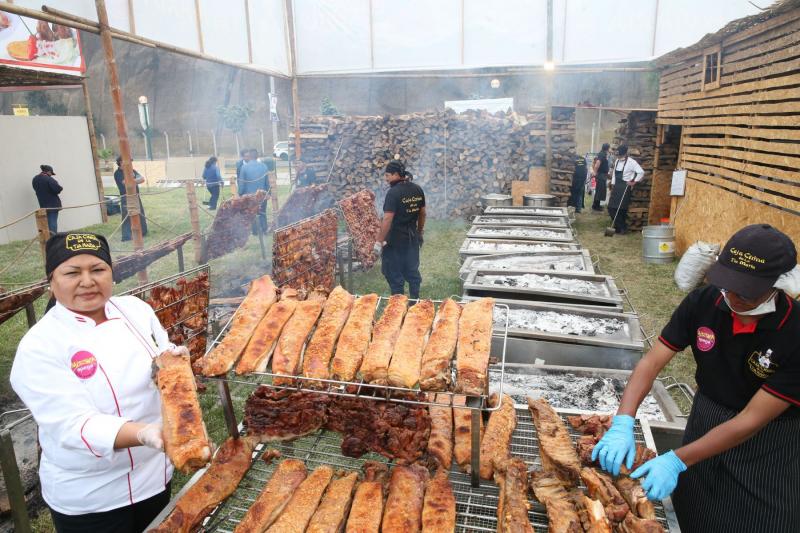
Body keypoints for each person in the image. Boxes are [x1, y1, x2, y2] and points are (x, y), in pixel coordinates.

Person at [592, 224, 800, 533]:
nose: (732, 296)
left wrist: (676, 459)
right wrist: (623, 420)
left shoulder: (794, 332)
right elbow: (651, 363)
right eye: (727, 284)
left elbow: (751, 421)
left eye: (745, 291)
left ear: (777, 284)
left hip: (767, 445)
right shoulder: (704, 302)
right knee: (692, 512)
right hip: (706, 419)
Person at [10, 232, 186, 533]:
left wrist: (171, 362)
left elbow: (159, 354)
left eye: (98, 269)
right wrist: (145, 433)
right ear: (51, 282)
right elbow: (71, 425)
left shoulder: (135, 310)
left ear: (112, 273)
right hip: (91, 496)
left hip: (154, 475)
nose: (88, 281)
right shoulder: (39, 345)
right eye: (72, 272)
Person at [374, 161, 426, 300]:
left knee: (393, 273)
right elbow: (422, 214)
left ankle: (397, 306)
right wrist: (419, 232)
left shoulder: (393, 193)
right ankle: (414, 300)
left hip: (395, 241)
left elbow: (387, 219)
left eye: (387, 175)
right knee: (412, 270)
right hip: (412, 238)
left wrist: (379, 242)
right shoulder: (417, 189)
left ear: (396, 174)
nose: (386, 178)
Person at [606, 145, 643, 234]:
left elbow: (641, 172)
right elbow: (614, 174)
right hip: (616, 187)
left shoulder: (632, 162)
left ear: (625, 154)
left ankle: (622, 229)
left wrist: (634, 181)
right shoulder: (617, 161)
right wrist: (613, 184)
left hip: (625, 187)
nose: (619, 157)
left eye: (620, 155)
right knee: (611, 208)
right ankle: (619, 227)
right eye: (618, 155)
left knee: (621, 209)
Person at [114, 157, 149, 242]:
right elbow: (125, 182)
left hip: (135, 195)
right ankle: (127, 237)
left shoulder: (132, 170)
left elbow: (142, 179)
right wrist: (133, 179)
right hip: (126, 197)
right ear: (121, 162)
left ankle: (142, 232)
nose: (130, 164)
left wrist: (132, 179)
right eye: (128, 162)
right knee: (127, 216)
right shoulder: (117, 173)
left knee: (139, 213)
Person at [238, 149, 270, 234]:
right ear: (257, 156)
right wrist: (268, 193)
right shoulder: (264, 166)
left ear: (250, 156)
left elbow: (242, 183)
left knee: (252, 213)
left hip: (250, 196)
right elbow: (267, 182)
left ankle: (255, 231)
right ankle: (264, 229)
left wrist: (240, 193)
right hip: (262, 195)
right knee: (262, 212)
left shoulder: (244, 167)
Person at [32, 164, 63, 234]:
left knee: (47, 222)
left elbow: (35, 188)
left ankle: (48, 238)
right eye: (51, 173)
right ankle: (53, 239)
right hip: (53, 205)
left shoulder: (35, 179)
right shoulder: (49, 179)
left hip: (43, 204)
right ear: (48, 172)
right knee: (52, 223)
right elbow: (58, 189)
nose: (51, 175)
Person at [591, 143, 610, 212]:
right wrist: (595, 172)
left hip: (602, 174)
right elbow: (597, 163)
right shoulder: (602, 154)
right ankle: (595, 206)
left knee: (600, 190)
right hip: (601, 175)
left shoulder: (602, 154)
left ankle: (596, 205)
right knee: (599, 191)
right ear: (607, 148)